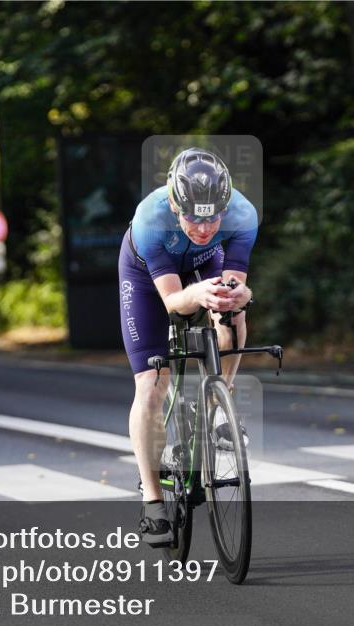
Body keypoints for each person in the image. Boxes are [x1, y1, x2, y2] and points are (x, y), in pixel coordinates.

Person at [117, 147, 257, 546]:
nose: (204, 226)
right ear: (175, 205)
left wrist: (236, 295)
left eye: (213, 217)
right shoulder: (151, 219)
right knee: (151, 384)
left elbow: (234, 284)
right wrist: (200, 294)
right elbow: (174, 303)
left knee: (232, 312)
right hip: (147, 278)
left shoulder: (243, 215)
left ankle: (219, 402)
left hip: (203, 264)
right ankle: (152, 500)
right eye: (194, 217)